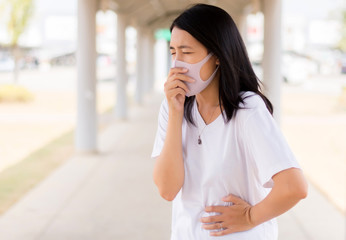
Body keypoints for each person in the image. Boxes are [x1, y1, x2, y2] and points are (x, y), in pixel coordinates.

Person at [151, 3, 308, 240]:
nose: (177, 63)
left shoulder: (247, 109)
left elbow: (294, 187)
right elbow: (167, 189)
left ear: (217, 56)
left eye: (187, 52)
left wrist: (250, 217)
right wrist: (175, 113)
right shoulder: (173, 106)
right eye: (173, 52)